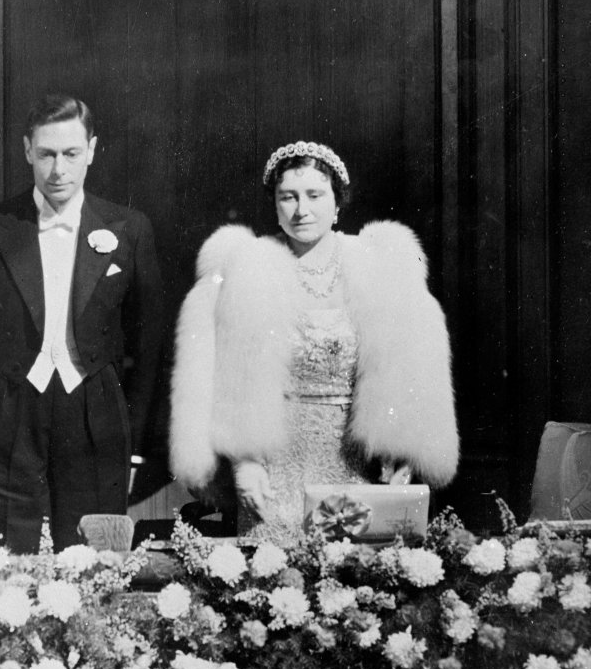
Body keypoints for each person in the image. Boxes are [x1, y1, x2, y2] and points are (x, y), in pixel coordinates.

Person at [168, 141, 459, 543]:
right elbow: (225, 378)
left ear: (337, 203)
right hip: (272, 468)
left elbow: (409, 369)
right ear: (275, 204)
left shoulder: (379, 266)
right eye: (288, 197)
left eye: (315, 195)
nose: (301, 209)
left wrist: (404, 451)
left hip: (359, 465)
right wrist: (244, 463)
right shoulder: (247, 267)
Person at [0, 94, 164, 553]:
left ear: (92, 150)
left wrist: (137, 445)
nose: (58, 170)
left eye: (71, 153)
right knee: (6, 557)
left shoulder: (129, 227)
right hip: (11, 403)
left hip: (95, 408)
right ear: (27, 150)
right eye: (46, 154)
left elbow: (149, 346)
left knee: (95, 557)